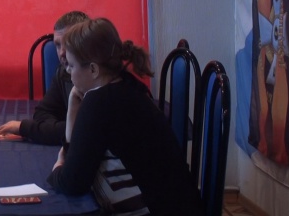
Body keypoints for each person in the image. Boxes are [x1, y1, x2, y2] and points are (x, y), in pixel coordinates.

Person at [46, 17, 204, 216]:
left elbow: (72, 182)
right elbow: (76, 160)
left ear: (93, 69)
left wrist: (57, 168)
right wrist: (72, 108)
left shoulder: (99, 102)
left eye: (71, 66)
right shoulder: (128, 86)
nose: (68, 72)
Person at [0, 10, 90, 145]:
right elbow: (42, 114)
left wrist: (24, 128)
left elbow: (82, 133)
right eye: (57, 45)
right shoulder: (63, 72)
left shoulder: (102, 81)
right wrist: (54, 129)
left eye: (68, 44)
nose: (61, 53)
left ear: (86, 44)